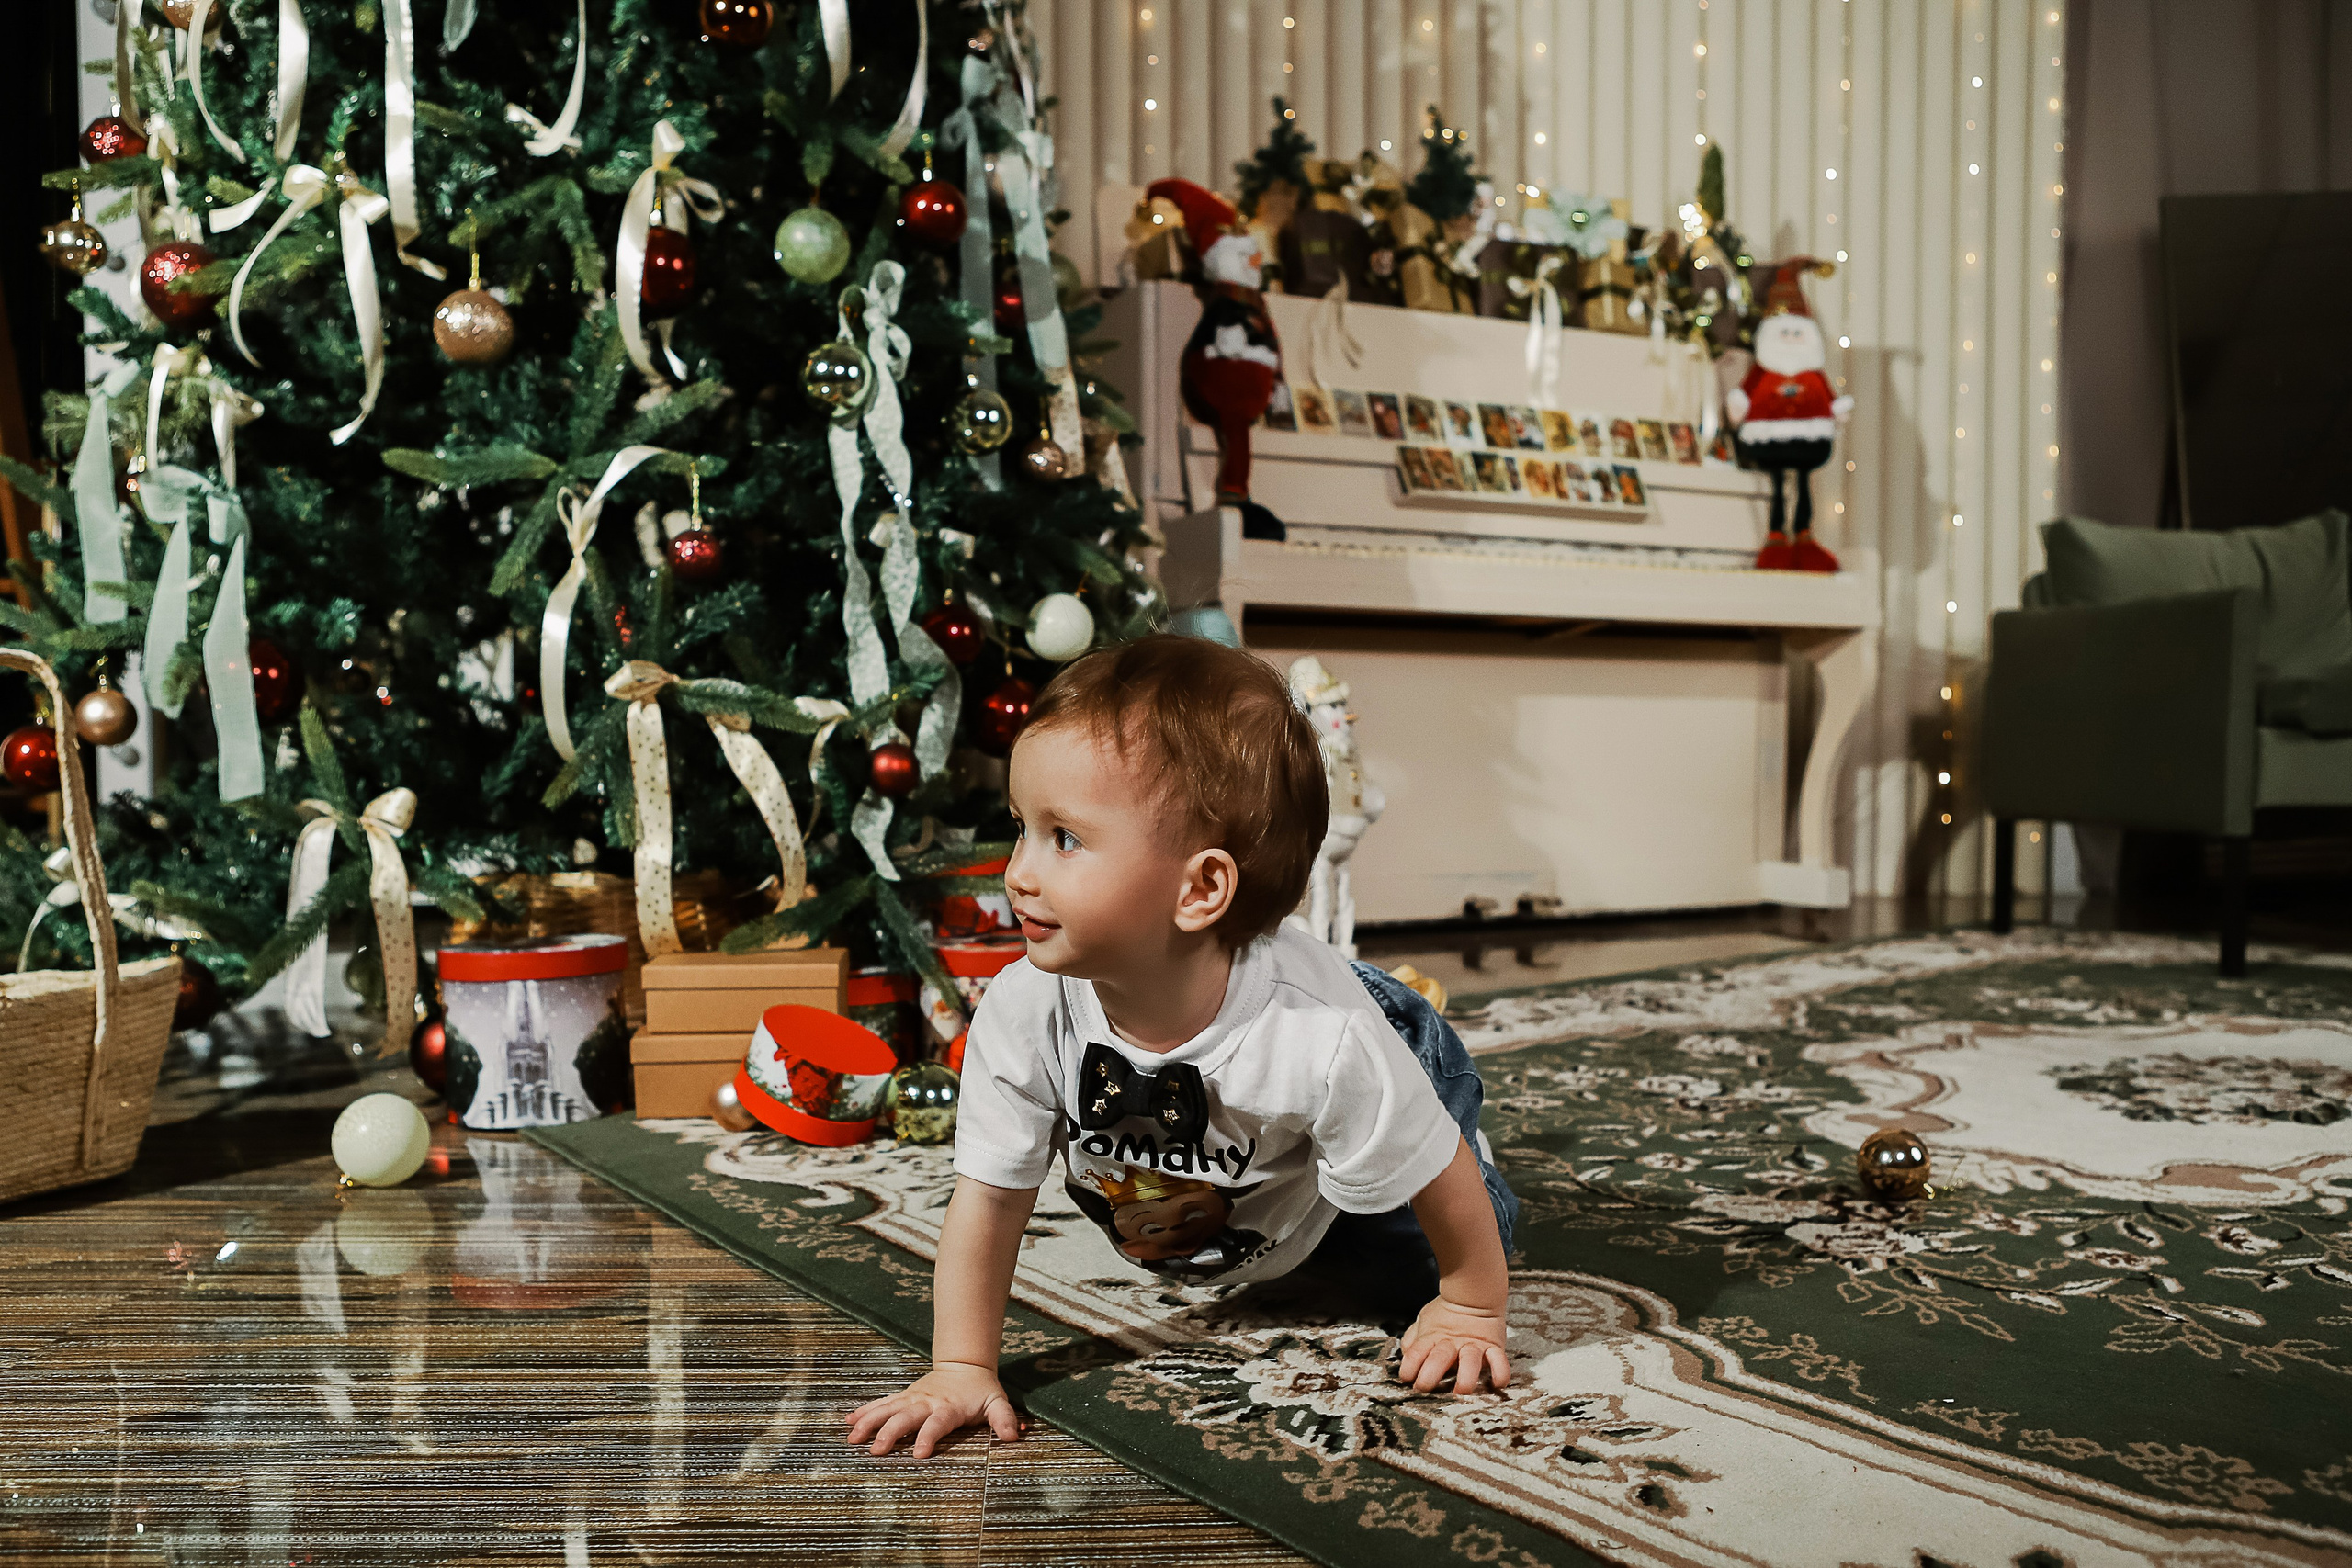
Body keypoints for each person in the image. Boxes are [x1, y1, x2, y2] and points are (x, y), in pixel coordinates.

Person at [845, 636, 1519, 1459]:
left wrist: (1470, 1307)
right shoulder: (1024, 1008)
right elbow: (987, 1199)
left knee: (1426, 1242)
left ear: (1199, 888)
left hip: (1343, 1119)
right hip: (1253, 1181)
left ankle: (1429, 1088)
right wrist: (959, 1364)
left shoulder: (1319, 1035)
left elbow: (1437, 1181)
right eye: (1021, 828)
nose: (1017, 872)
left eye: (1064, 838)